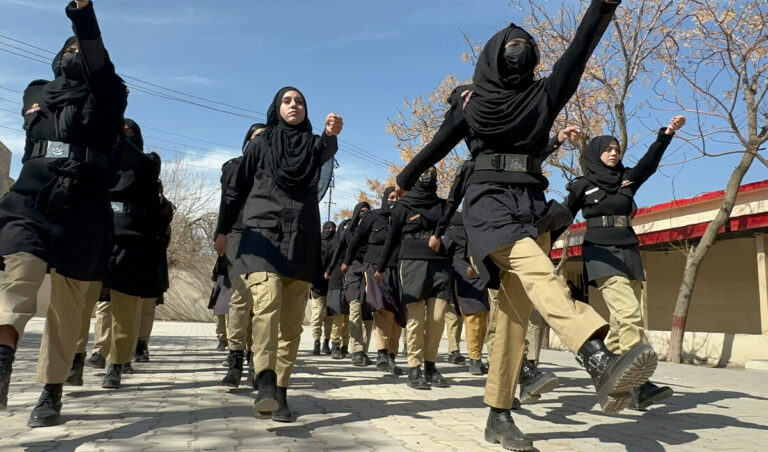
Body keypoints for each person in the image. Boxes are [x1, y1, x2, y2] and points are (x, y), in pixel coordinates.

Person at [391, 1, 658, 449]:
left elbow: (580, 49)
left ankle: (498, 414)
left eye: (529, 46)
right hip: (487, 201)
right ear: (494, 55)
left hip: (530, 203)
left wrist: (603, 7)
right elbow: (438, 144)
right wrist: (403, 179)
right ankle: (594, 354)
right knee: (538, 271)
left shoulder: (544, 95)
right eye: (514, 45)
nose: (523, 51)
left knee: (514, 317)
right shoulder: (472, 101)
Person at [0, 0, 127, 427]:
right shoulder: (37, 90)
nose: (75, 53)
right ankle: (2, 360)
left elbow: (95, 58)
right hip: (32, 199)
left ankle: (51, 391)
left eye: (82, 50)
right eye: (67, 49)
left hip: (86, 204)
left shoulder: (111, 93)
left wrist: (84, 17)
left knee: (68, 307)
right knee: (17, 278)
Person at [215, 86, 342, 422]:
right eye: (287, 101)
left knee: (290, 326)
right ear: (276, 108)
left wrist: (330, 135)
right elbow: (236, 189)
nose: (294, 105)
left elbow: (325, 153)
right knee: (267, 303)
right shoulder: (261, 144)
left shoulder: (313, 146)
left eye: (299, 101)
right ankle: (265, 380)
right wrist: (223, 230)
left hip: (302, 240)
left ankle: (281, 393)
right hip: (262, 236)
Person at [564, 115, 685, 410]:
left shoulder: (627, 179)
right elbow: (563, 217)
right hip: (600, 253)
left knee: (621, 322)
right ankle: (640, 385)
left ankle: (613, 381)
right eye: (608, 149)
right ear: (595, 153)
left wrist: (666, 133)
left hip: (628, 250)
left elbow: (650, 162)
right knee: (628, 312)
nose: (614, 153)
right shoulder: (582, 185)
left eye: (617, 149)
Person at [100, 119, 172, 390]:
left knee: (125, 309)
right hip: (98, 235)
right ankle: (79, 358)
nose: (124, 136)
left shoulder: (148, 163)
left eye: (130, 133)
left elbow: (161, 216)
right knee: (87, 305)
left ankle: (117, 363)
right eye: (120, 132)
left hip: (131, 241)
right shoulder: (99, 162)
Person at [378, 166, 451, 390]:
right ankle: (414, 366)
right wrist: (380, 267)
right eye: (424, 172)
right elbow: (391, 239)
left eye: (432, 172)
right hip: (411, 263)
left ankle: (431, 365)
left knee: (438, 318)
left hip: (440, 264)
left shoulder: (443, 205)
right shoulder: (403, 206)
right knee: (416, 319)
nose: (428, 176)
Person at [217, 123, 266, 388]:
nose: (260, 141)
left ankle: (256, 360)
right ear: (247, 141)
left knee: (261, 301)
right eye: (256, 137)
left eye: (265, 138)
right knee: (241, 295)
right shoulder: (233, 166)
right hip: (237, 234)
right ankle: (235, 358)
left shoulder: (274, 169)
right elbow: (227, 200)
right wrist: (220, 233)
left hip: (265, 236)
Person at [343, 187, 406, 376]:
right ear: (385, 198)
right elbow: (356, 240)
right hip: (374, 268)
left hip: (399, 268)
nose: (395, 200)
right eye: (392, 197)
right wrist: (346, 262)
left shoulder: (405, 218)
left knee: (398, 313)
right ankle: (381, 353)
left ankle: (392, 356)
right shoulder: (372, 216)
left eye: (398, 197)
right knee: (381, 308)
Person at [441, 212, 490, 375]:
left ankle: (475, 360)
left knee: (474, 318)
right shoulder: (478, 230)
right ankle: (476, 359)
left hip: (465, 278)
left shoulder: (452, 232)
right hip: (480, 277)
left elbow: (442, 254)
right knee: (480, 318)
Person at [331, 201, 374, 366]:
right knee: (355, 310)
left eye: (367, 211)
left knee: (369, 315)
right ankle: (355, 350)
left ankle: (364, 350)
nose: (364, 214)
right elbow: (339, 252)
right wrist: (332, 271)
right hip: (353, 273)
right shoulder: (349, 232)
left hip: (369, 272)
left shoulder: (374, 232)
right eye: (361, 211)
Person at [325, 219, 351, 359]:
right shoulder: (333, 244)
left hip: (351, 282)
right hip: (335, 282)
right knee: (338, 316)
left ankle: (345, 347)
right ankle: (335, 345)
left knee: (348, 318)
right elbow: (325, 262)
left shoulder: (355, 244)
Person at [310, 221, 337, 355]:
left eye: (332, 228)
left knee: (329, 316)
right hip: (317, 285)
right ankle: (316, 341)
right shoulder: (316, 243)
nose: (330, 230)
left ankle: (326, 342)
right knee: (317, 315)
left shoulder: (336, 243)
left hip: (331, 284)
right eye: (327, 228)